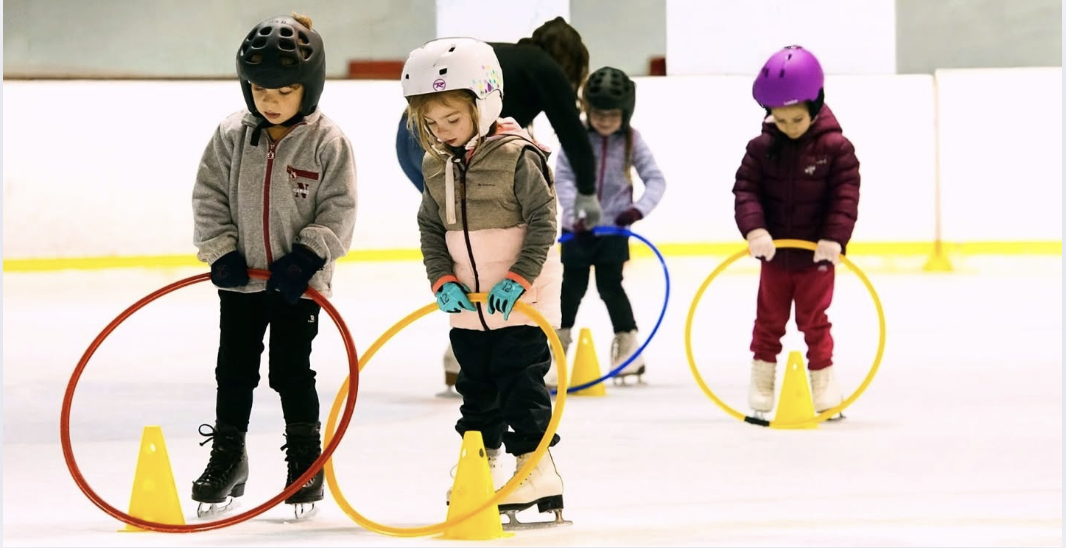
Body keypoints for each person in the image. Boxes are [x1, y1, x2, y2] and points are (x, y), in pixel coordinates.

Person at [190, 13, 357, 518]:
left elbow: (339, 207)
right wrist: (219, 251)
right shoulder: (231, 136)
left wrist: (308, 254)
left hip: (297, 285)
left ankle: (305, 462)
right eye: (259, 90)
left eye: (283, 90)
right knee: (233, 372)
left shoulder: (328, 141)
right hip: (240, 282)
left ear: (309, 87)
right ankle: (228, 456)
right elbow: (209, 197)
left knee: (291, 372)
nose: (270, 100)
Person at [402, 37, 568, 526]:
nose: (441, 131)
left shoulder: (519, 155)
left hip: (522, 301)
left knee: (521, 385)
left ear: (484, 101)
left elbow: (543, 222)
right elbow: (431, 227)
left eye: (451, 119)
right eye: (431, 123)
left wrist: (519, 278)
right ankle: (480, 465)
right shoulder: (436, 166)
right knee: (476, 389)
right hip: (469, 307)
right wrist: (440, 280)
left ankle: (537, 470)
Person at [395, 17, 598, 395]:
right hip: (438, 139)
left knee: (463, 232)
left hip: (415, 135)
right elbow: (572, 131)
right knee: (480, 232)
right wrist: (587, 191)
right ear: (571, 63)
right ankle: (484, 344)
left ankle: (463, 351)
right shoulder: (544, 67)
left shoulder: (503, 59)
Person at [732, 45, 860, 418]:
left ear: (815, 107)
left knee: (814, 321)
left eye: (796, 120)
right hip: (776, 257)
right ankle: (762, 381)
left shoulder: (837, 149)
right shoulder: (760, 148)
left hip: (816, 258)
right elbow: (746, 190)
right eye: (780, 119)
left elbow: (845, 195)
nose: (787, 128)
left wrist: (834, 237)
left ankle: (823, 381)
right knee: (767, 321)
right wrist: (754, 230)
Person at [553, 67, 666, 386]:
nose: (604, 120)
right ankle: (555, 348)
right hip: (576, 230)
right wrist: (576, 213)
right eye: (598, 114)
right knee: (570, 288)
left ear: (626, 113)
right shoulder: (575, 136)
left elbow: (656, 179)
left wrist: (636, 210)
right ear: (587, 110)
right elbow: (562, 176)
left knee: (610, 287)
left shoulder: (632, 140)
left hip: (614, 230)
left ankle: (628, 346)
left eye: (612, 115)